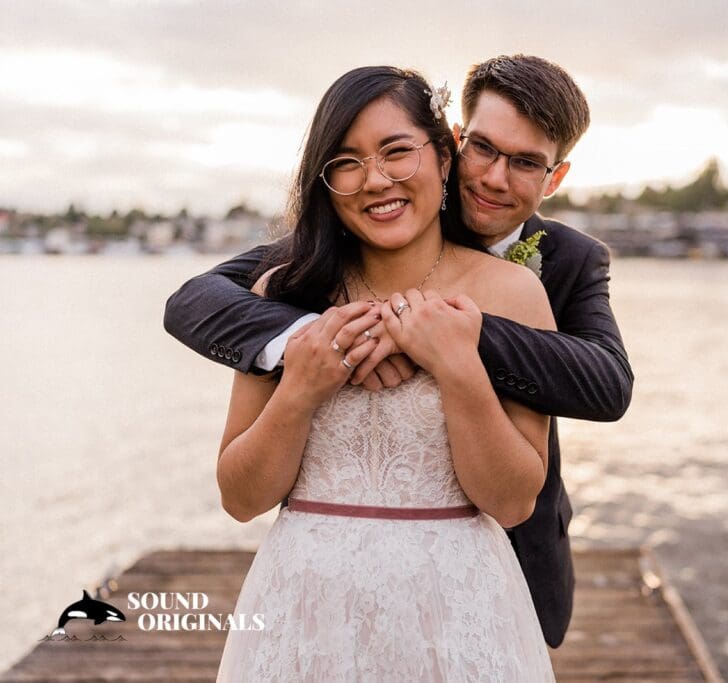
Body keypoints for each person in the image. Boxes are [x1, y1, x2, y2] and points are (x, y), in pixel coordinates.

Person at [164, 54, 633, 648]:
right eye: (484, 150)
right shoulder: (308, 268)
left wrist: (449, 339)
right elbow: (195, 301)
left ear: (554, 178)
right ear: (456, 146)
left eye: (525, 163)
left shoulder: (556, 268)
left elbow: (607, 385)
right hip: (309, 598)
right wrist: (317, 347)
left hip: (482, 580)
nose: (492, 178)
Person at [214, 66, 555, 680]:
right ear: (325, 182)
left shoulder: (515, 294)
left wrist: (458, 368)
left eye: (397, 151)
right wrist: (299, 389)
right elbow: (240, 499)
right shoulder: (283, 293)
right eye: (346, 162)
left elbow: (511, 501)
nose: (375, 180)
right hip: (304, 610)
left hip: (458, 611)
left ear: (445, 157)